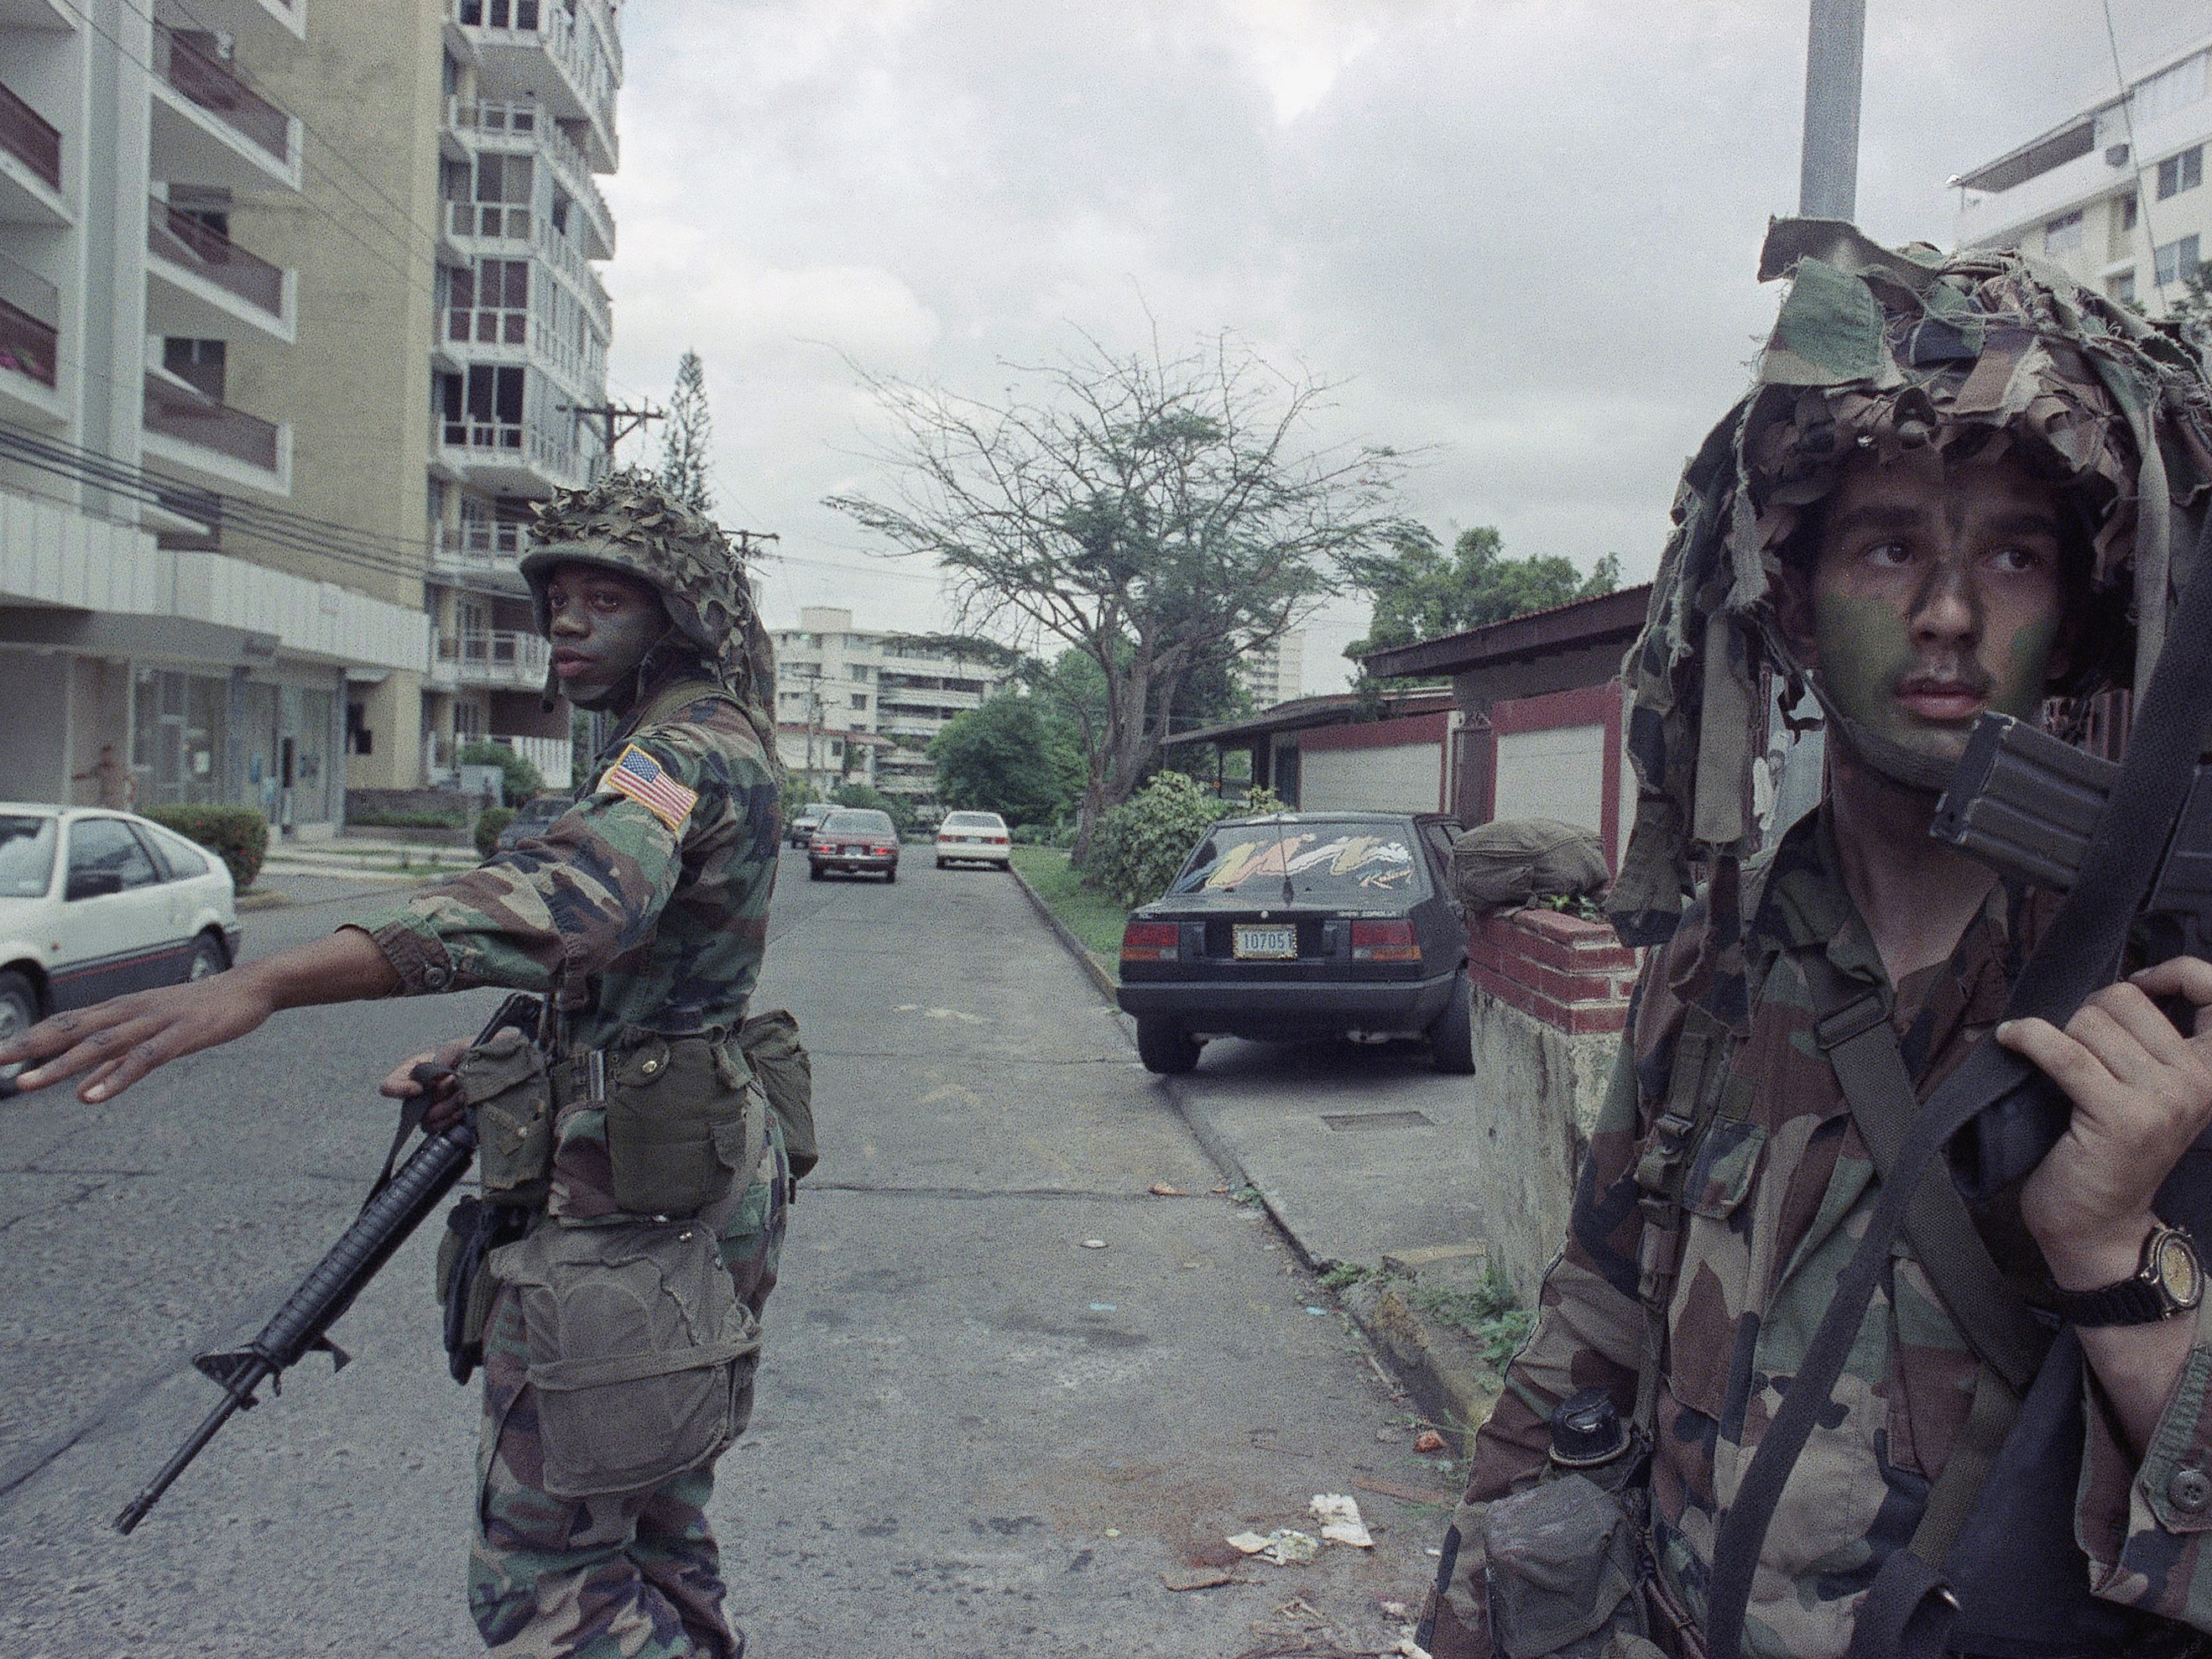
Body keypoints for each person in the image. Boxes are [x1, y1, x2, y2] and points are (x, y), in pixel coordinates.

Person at [1422, 222, 2212, 1659]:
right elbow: (1595, 1316)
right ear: (1790, 591)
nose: (1950, 614)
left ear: (2080, 610)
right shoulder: (1722, 958)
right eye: (1890, 543)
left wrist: (2112, 1250)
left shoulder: (2167, 1004)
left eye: (2016, 556)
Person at [0, 469, 790, 1659]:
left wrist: (257, 979)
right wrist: (503, 1059)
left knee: (547, 1582)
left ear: (676, 620)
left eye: (603, 599)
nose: (566, 621)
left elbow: (570, 899)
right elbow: (653, 983)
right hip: (678, 1181)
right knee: (652, 1529)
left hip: (635, 1212)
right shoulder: (684, 738)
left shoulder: (672, 755)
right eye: (555, 597)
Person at [72, 742, 134, 811]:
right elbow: (88, 774)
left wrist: (132, 794)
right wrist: (76, 777)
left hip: (117, 800)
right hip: (105, 799)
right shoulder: (101, 769)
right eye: (104, 756)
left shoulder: (121, 769)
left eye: (109, 755)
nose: (106, 758)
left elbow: (133, 782)